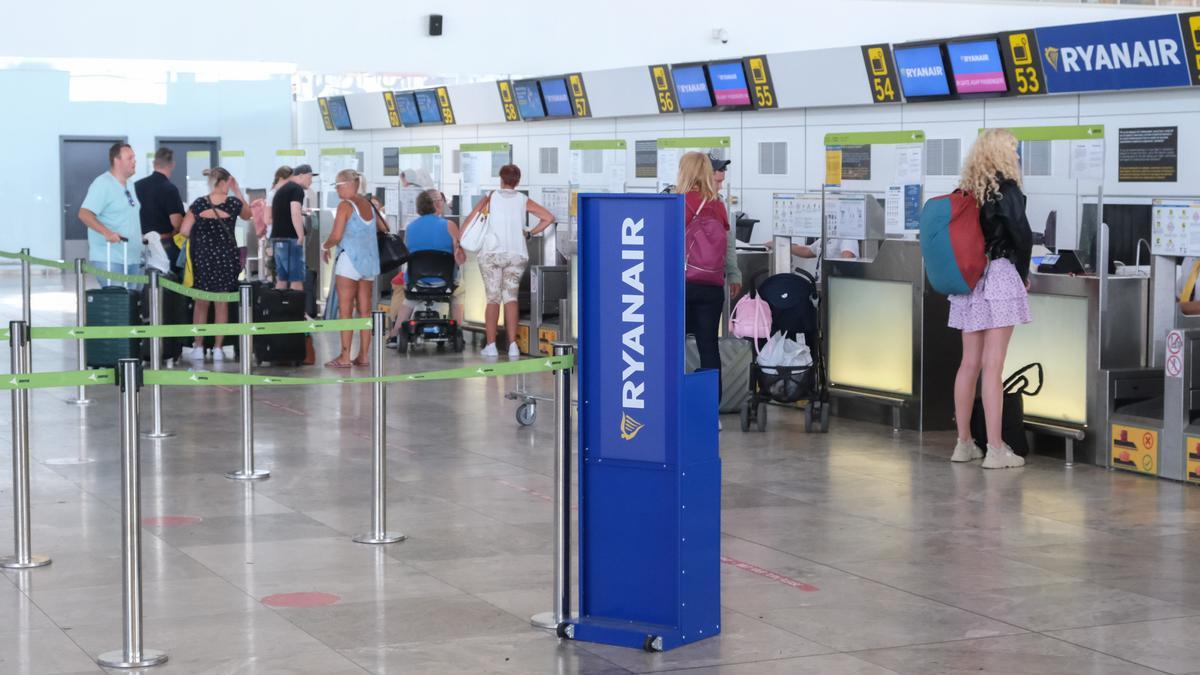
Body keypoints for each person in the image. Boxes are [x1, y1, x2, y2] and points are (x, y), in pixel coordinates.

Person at [949, 129, 1032, 470]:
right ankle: (996, 449)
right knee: (994, 367)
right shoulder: (1007, 191)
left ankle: (964, 443)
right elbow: (1022, 236)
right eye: (1014, 149)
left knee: (969, 363)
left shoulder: (967, 190)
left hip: (969, 281)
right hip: (998, 276)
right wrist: (1023, 274)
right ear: (1004, 154)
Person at [459, 165, 555, 359]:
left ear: (501, 179)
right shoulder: (522, 199)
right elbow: (549, 217)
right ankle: (513, 346)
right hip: (516, 254)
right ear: (518, 181)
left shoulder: (491, 196)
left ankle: (492, 345)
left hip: (492, 254)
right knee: (511, 298)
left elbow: (472, 218)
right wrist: (529, 233)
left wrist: (460, 239)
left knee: (493, 299)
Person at [675, 152, 730, 424]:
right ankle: (711, 413)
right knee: (709, 346)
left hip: (681, 284)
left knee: (673, 345)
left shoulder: (678, 203)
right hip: (712, 285)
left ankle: (673, 403)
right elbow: (727, 244)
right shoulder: (718, 205)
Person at [179, 167, 251, 362]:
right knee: (221, 303)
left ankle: (198, 347)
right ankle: (218, 349)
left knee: (201, 303)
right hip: (226, 258)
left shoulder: (199, 203)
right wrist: (237, 191)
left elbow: (184, 231)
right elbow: (248, 214)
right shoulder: (233, 203)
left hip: (202, 258)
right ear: (225, 182)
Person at [321, 169, 387, 368]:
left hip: (349, 260)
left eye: (337, 186)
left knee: (346, 310)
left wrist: (325, 246)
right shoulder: (368, 204)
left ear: (349, 184)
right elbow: (383, 228)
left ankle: (344, 357)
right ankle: (364, 356)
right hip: (369, 262)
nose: (337, 191)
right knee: (365, 311)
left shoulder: (345, 206)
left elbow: (336, 235)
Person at [386, 189, 466, 347]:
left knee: (409, 299)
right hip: (444, 283)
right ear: (436, 204)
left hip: (417, 282)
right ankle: (458, 330)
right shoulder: (450, 225)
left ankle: (394, 336)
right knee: (459, 292)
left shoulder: (410, 228)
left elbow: (409, 253)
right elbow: (460, 259)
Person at [78, 142, 143, 286]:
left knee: (131, 305)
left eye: (134, 158)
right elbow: (84, 213)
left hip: (132, 258)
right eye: (130, 158)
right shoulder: (102, 184)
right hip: (110, 258)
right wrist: (106, 232)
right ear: (116, 160)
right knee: (118, 304)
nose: (134, 161)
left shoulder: (130, 184)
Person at [134, 147, 185, 271]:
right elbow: (177, 222)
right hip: (165, 244)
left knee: (143, 283)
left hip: (139, 245)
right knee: (170, 284)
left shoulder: (136, 186)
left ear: (153, 164)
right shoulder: (170, 189)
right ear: (172, 165)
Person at [271, 164, 315, 291]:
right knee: (296, 279)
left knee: (281, 279)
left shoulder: (282, 190)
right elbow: (294, 211)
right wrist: (300, 235)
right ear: (300, 175)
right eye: (310, 177)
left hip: (277, 238)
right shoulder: (297, 189)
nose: (311, 181)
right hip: (290, 239)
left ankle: (281, 310)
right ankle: (297, 311)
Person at [709, 156, 743, 299]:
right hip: (684, 280)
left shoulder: (719, 202)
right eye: (717, 181)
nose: (721, 187)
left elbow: (727, 240)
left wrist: (734, 273)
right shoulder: (679, 200)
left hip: (712, 280)